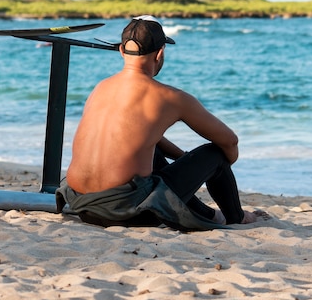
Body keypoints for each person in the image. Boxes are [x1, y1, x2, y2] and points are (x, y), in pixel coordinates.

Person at [56, 15, 263, 230]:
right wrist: (219, 166)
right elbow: (229, 142)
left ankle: (208, 214)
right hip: (127, 213)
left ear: (121, 51)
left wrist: (183, 160)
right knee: (215, 153)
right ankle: (236, 217)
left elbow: (138, 136)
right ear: (160, 53)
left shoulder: (101, 88)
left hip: (81, 205)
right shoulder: (170, 97)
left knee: (150, 152)